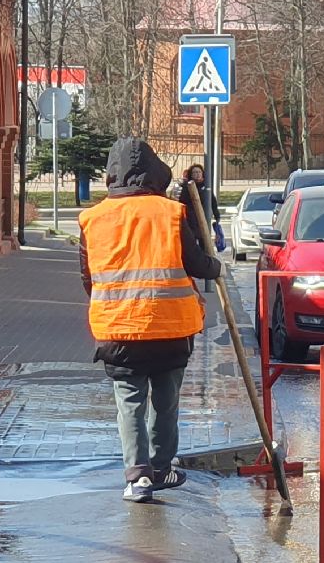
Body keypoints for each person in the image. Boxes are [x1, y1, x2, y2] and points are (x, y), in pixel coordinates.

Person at [79, 137, 220, 503]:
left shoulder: (92, 219)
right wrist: (215, 266)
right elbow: (196, 263)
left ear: (112, 175)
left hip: (118, 331)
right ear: (157, 172)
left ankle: (137, 477)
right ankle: (160, 469)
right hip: (170, 328)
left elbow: (88, 278)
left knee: (129, 402)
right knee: (165, 401)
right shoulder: (171, 213)